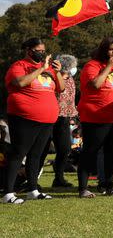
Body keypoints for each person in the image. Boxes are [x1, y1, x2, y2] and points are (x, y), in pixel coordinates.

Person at [2, 38, 64, 204]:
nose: (41, 53)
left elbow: (61, 88)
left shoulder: (49, 68)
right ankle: (8, 193)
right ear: (28, 50)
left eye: (43, 50)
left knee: (36, 156)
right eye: (38, 50)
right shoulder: (18, 66)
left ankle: (33, 190)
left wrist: (56, 72)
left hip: (46, 119)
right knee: (18, 154)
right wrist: (41, 69)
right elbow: (20, 82)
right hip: (24, 118)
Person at [77, 37, 113, 198]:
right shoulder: (92, 66)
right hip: (95, 118)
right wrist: (109, 67)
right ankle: (83, 188)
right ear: (103, 50)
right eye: (111, 49)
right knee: (90, 152)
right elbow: (95, 84)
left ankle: (109, 186)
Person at [51, 54, 78, 188]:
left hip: (65, 118)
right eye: (73, 66)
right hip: (51, 116)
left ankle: (59, 178)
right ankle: (30, 180)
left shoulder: (71, 78)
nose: (75, 69)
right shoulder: (54, 76)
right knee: (42, 150)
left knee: (65, 148)